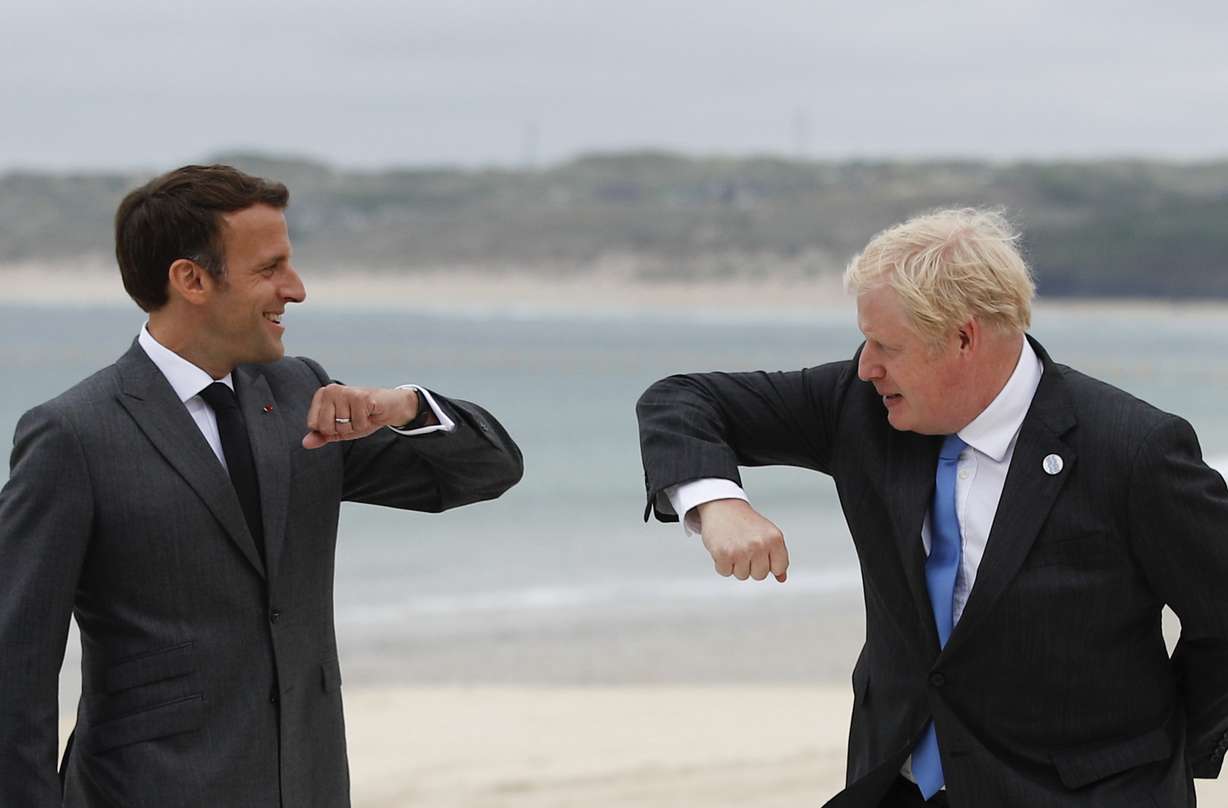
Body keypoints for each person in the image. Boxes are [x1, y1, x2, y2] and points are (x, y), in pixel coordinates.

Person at [635, 208, 1228, 807]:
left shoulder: (1133, 449)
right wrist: (718, 501)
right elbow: (680, 399)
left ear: (964, 338)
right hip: (896, 785)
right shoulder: (858, 406)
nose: (867, 366)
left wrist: (1157, 753)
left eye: (886, 346)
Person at [0, 164, 524, 808]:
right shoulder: (72, 435)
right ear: (191, 279)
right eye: (269, 269)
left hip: (308, 782)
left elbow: (486, 471)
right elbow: (15, 670)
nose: (295, 289)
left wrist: (409, 408)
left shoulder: (302, 392)